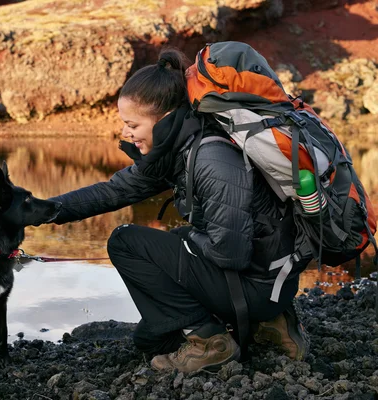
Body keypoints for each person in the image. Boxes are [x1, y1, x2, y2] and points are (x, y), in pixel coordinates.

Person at [48, 47, 309, 373]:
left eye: (132, 124)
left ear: (166, 119)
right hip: (267, 279)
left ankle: (210, 343)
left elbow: (231, 255)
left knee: (125, 242)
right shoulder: (182, 147)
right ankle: (271, 327)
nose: (125, 133)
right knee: (149, 336)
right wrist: (48, 210)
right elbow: (118, 189)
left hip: (259, 285)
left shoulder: (212, 157)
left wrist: (187, 242)